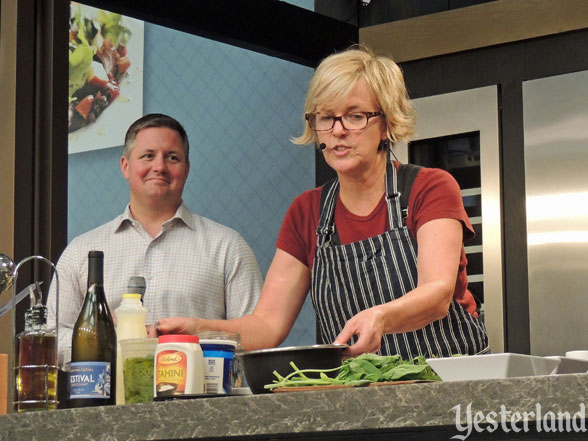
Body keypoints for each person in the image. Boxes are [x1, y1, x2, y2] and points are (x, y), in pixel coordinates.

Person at [153, 46, 489, 358]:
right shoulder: (307, 212)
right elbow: (267, 326)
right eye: (326, 117)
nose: (338, 130)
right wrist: (199, 330)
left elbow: (438, 294)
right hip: (360, 395)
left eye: (356, 116)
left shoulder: (428, 188)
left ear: (386, 124)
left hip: (450, 386)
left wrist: (381, 318)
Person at [47, 113, 263, 364]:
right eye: (148, 156)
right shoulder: (82, 251)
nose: (159, 166)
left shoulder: (227, 246)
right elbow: (50, 340)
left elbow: (256, 339)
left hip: (202, 400)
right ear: (125, 166)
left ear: (187, 169)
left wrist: (195, 335)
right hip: (107, 398)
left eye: (172, 157)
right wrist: (101, 335)